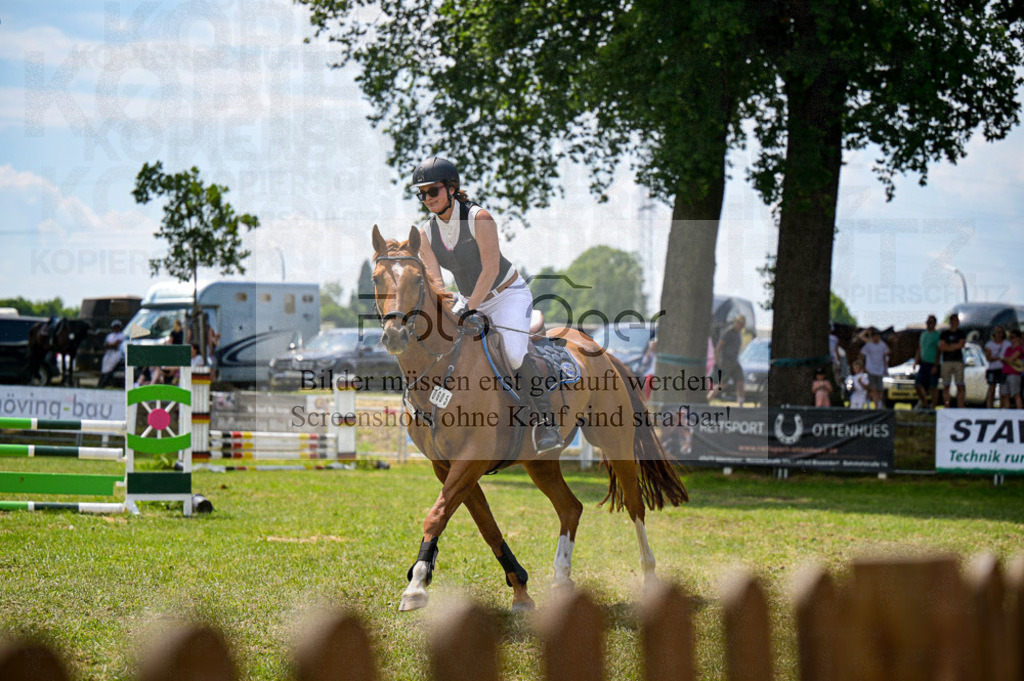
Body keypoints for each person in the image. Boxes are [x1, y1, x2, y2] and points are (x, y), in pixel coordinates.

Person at [411, 156, 561, 453]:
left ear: (451, 188)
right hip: (469, 300)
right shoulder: (425, 233)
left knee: (514, 354)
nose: (427, 198)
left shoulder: (479, 218)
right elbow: (436, 282)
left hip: (506, 295)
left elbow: (490, 269)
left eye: (433, 191)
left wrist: (469, 308)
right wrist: (446, 312)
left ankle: (548, 423)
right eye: (422, 194)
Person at [708, 315, 745, 407]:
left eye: (742, 324)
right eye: (738, 323)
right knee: (723, 384)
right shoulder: (729, 333)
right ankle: (708, 398)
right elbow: (719, 346)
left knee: (740, 381)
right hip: (726, 362)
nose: (740, 325)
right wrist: (717, 360)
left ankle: (740, 403)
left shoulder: (738, 334)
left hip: (735, 362)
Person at [939, 313, 967, 408]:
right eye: (953, 320)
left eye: (956, 320)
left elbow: (961, 344)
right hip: (946, 361)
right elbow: (942, 346)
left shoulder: (961, 333)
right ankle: (947, 406)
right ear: (950, 322)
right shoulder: (944, 334)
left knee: (960, 385)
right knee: (946, 386)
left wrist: (950, 346)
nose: (955, 322)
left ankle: (960, 408)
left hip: (958, 361)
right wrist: (955, 346)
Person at [858, 327, 890, 409]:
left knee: (880, 388)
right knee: (873, 388)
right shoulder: (869, 345)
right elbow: (861, 354)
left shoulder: (882, 345)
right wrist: (863, 365)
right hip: (871, 369)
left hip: (880, 369)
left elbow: (885, 355)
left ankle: (880, 403)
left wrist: (885, 368)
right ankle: (876, 404)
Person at [914, 315, 941, 410]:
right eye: (927, 322)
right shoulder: (923, 334)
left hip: (933, 364)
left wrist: (936, 365)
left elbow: (939, 351)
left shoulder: (937, 335)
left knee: (933, 386)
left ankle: (933, 407)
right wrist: (916, 361)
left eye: (930, 322)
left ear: (934, 323)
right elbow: (920, 348)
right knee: (917, 384)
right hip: (923, 363)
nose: (928, 324)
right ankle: (925, 404)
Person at [984, 326, 1010, 408]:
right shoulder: (989, 344)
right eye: (997, 332)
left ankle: (1001, 407)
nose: (999, 334)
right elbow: (988, 358)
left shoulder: (1007, 344)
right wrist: (999, 358)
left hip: (1003, 369)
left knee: (1003, 390)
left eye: (1001, 332)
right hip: (992, 369)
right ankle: (990, 407)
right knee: (992, 389)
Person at [97, 320, 125, 388]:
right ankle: (102, 381)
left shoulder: (122, 335)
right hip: (109, 352)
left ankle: (105, 381)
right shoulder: (109, 336)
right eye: (114, 327)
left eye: (117, 327)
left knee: (110, 366)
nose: (116, 328)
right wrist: (110, 345)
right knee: (104, 363)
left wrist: (110, 345)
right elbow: (105, 344)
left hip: (117, 352)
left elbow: (116, 344)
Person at [1002, 330, 1024, 410]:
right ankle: (1007, 412)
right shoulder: (1008, 348)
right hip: (1005, 373)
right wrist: (1007, 359)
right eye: (1010, 337)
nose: (1011, 339)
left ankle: (1020, 412)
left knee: (1016, 394)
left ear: (1018, 338)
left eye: (1012, 337)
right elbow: (1004, 359)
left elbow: (1010, 359)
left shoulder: (1019, 348)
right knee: (1005, 395)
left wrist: (1007, 359)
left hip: (1014, 374)